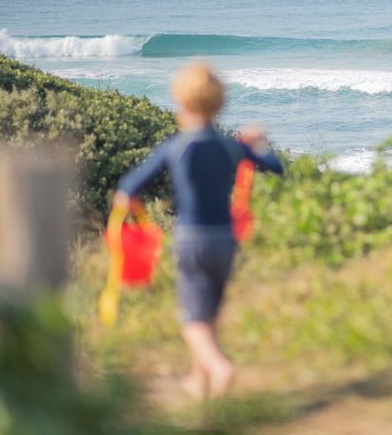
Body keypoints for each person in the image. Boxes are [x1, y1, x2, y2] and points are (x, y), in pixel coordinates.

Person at [113, 61, 283, 399]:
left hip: (192, 239)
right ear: (219, 103)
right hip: (225, 239)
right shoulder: (230, 146)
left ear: (181, 102)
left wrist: (129, 209)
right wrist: (258, 144)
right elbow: (274, 167)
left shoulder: (176, 147)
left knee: (192, 318)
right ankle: (199, 380)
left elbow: (128, 188)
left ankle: (219, 368)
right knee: (209, 311)